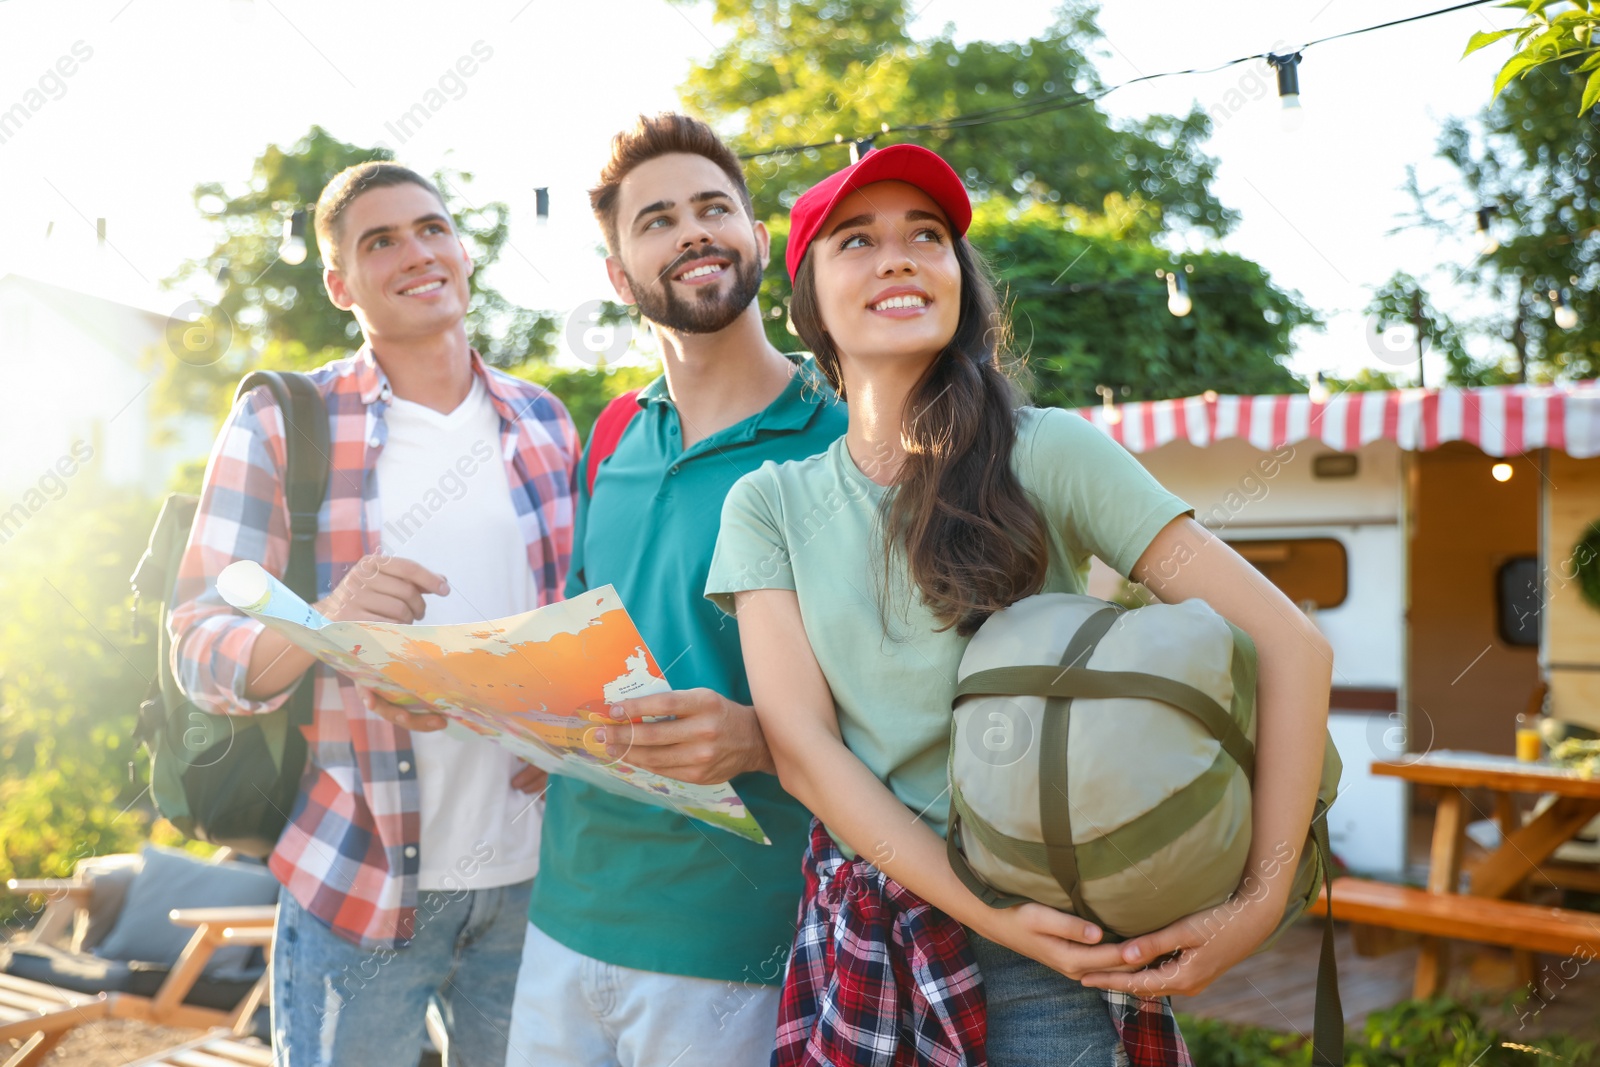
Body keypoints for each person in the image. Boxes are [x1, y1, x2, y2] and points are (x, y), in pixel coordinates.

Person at [705, 144, 1334, 1065]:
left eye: (928, 235)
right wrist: (982, 909)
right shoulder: (769, 501)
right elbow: (802, 750)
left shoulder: (1050, 451)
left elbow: (1290, 642)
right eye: (857, 240)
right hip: (868, 942)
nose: (900, 256)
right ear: (805, 304)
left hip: (1055, 966)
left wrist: (1260, 901)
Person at [171, 161, 578, 1066]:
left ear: (463, 250)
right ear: (339, 283)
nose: (416, 252)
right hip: (357, 878)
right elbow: (200, 645)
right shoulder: (285, 423)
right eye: (379, 240)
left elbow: (566, 628)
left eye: (432, 228)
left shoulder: (546, 422)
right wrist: (329, 620)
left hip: (535, 883)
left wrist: (566, 735)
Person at [503, 113, 848, 1067]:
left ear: (758, 240)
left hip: (735, 942)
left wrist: (759, 736)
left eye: (714, 208)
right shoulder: (609, 435)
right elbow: (586, 637)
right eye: (657, 219)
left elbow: (913, 693)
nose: (693, 230)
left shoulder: (844, 441)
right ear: (619, 276)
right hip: (563, 915)